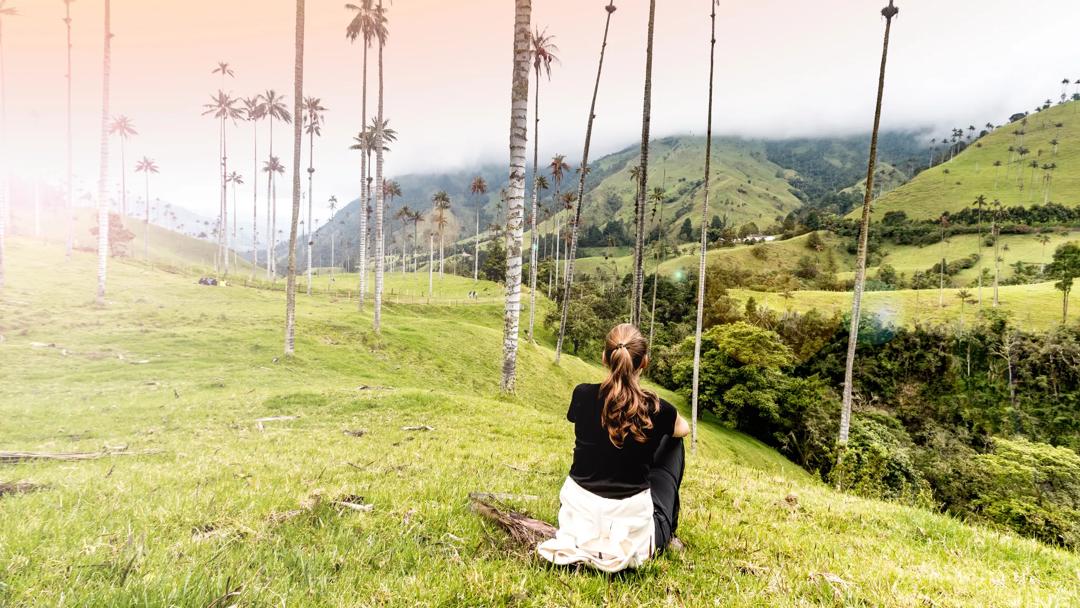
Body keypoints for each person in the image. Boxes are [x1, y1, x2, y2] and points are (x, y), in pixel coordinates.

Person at [537, 323, 691, 573]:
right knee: (673, 441)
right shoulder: (657, 408)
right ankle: (670, 531)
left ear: (604, 357)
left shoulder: (582, 394)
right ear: (645, 362)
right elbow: (682, 429)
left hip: (579, 525)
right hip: (634, 535)